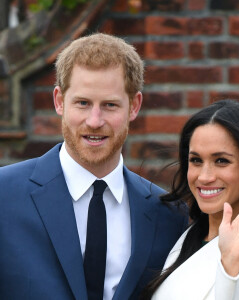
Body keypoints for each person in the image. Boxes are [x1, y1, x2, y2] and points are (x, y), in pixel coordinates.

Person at [0, 33, 188, 300]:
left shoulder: (168, 214)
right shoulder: (3, 196)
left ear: (134, 106)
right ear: (59, 101)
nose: (94, 120)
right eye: (83, 103)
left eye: (110, 105)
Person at [142, 100, 239, 299]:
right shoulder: (189, 237)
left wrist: (231, 266)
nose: (204, 176)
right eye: (196, 160)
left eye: (221, 161)